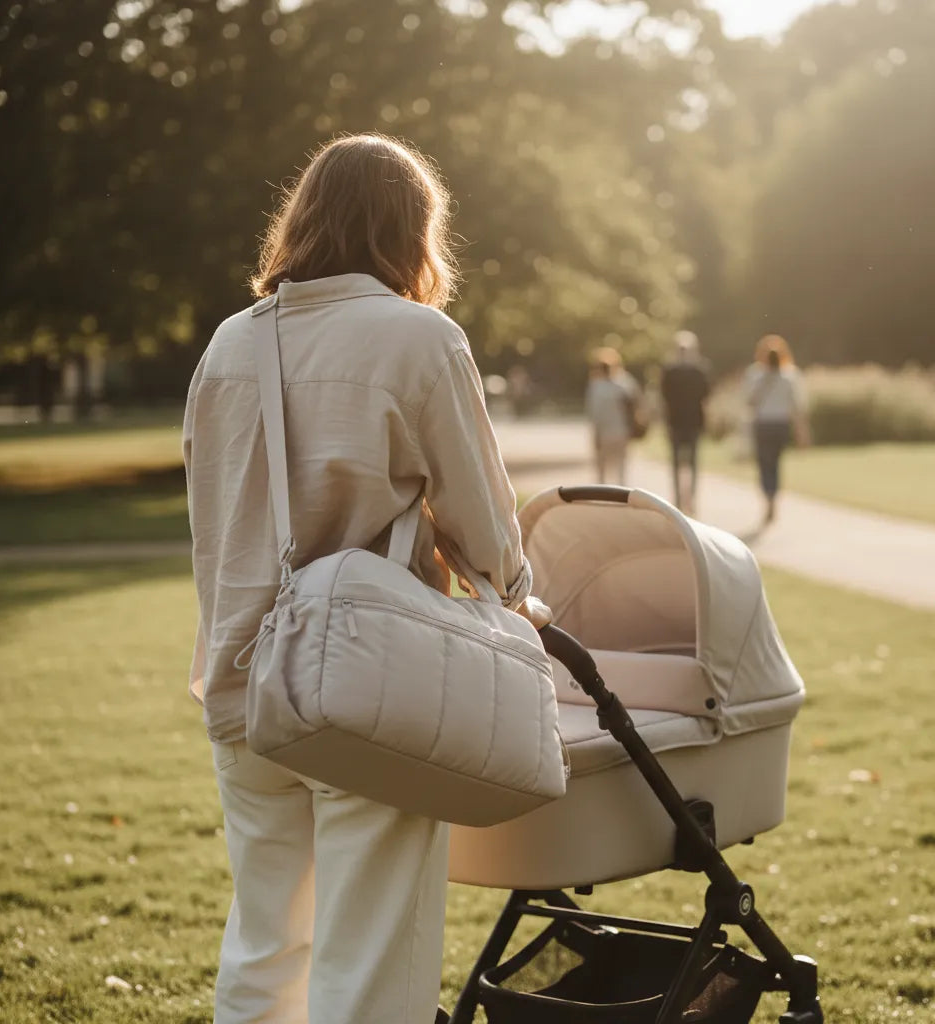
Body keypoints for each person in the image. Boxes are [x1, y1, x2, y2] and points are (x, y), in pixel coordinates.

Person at [182, 134, 551, 1024]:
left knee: (267, 951)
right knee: (370, 968)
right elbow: (482, 523)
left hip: (241, 681)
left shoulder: (230, 343)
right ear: (414, 230)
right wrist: (519, 599)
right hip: (366, 682)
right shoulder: (419, 339)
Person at [743, 334, 808, 524]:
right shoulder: (790, 375)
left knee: (764, 463)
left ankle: (768, 497)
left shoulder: (756, 375)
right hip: (780, 424)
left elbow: (749, 402)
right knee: (775, 464)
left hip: (763, 424)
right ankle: (773, 498)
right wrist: (801, 432)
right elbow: (797, 406)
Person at [659, 330, 710, 514]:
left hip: (688, 421)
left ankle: (688, 499)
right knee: (681, 463)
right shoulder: (693, 371)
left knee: (689, 463)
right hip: (679, 421)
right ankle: (680, 499)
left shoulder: (695, 371)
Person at [585, 346, 643, 485]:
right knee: (621, 467)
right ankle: (622, 492)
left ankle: (602, 492)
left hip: (604, 433)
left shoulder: (596, 387)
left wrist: (595, 435)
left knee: (602, 469)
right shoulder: (624, 384)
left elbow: (594, 414)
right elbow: (637, 402)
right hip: (621, 431)